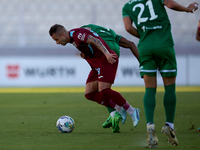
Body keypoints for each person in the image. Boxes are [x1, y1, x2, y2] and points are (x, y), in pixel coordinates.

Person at [122, 0, 198, 148]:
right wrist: (187, 9)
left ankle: (150, 124)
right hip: (164, 45)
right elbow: (169, 3)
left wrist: (144, 36)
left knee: (150, 89)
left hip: (145, 47)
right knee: (169, 87)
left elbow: (127, 27)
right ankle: (169, 125)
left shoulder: (127, 6)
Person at [49, 24, 140, 133]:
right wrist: (85, 53)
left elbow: (94, 39)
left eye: (57, 39)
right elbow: (88, 37)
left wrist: (106, 53)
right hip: (96, 63)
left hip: (105, 60)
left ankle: (132, 111)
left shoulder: (77, 35)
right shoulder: (72, 37)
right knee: (89, 93)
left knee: (104, 90)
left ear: (63, 34)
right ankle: (118, 108)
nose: (57, 42)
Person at [80, 24, 139, 131]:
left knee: (103, 89)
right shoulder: (110, 33)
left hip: (105, 56)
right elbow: (131, 44)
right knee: (90, 93)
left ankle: (127, 111)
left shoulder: (82, 30)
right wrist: (142, 63)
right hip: (109, 55)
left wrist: (83, 52)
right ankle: (116, 111)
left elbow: (86, 33)